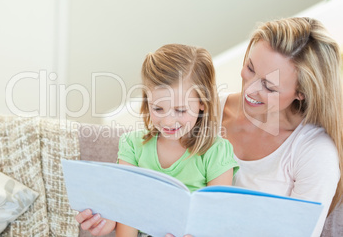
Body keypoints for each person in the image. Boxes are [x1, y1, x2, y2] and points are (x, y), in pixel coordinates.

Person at [76, 17, 343, 237]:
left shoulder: (314, 153)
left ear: (302, 93)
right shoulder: (198, 113)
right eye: (249, 68)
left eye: (269, 85)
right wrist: (108, 218)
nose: (250, 88)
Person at [78, 44, 240, 237]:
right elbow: (127, 216)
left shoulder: (216, 151)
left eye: (180, 110)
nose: (168, 121)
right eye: (158, 109)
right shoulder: (132, 145)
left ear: (203, 103)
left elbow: (216, 224)